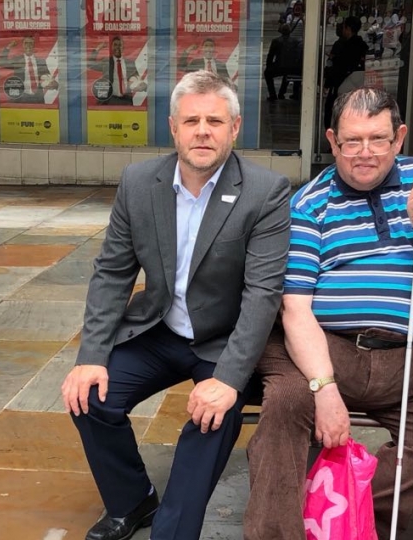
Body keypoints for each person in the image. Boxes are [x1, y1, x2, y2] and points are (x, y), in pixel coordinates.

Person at [61, 70, 291, 540]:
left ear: (234, 127)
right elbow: (112, 273)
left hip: (223, 339)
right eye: (191, 121)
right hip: (160, 328)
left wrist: (229, 379)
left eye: (214, 121)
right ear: (173, 128)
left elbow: (262, 295)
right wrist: (91, 356)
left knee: (213, 417)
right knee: (89, 397)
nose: (202, 131)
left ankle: (171, 532)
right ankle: (132, 501)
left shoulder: (265, 192)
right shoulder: (139, 182)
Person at [244, 87, 413, 540]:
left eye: (378, 139)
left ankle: (343, 516)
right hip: (332, 349)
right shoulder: (310, 202)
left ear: (399, 137)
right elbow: (295, 308)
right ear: (333, 141)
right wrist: (325, 388)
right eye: (352, 141)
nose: (365, 153)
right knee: (289, 401)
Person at [323, 16, 368, 127]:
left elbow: (340, 67)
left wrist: (328, 83)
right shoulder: (362, 45)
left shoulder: (345, 46)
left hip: (344, 82)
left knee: (334, 111)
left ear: (348, 29)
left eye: (343, 27)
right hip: (359, 81)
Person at [89, 36, 148, 106]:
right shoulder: (106, 61)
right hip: (108, 100)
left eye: (120, 45)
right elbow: (90, 64)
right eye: (115, 45)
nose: (117, 47)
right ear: (111, 47)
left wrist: (142, 85)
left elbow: (136, 78)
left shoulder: (130, 63)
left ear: (123, 48)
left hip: (126, 101)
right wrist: (97, 49)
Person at [0, 35, 58, 104]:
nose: (28, 45)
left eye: (30, 43)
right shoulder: (17, 60)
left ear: (34, 45)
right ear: (23, 45)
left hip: (37, 98)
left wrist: (54, 83)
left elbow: (47, 77)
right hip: (21, 98)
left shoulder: (41, 61)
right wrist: (8, 47)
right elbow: (2, 63)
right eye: (26, 43)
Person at [264, 24, 303, 101]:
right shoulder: (296, 42)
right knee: (295, 73)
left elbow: (270, 55)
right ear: (290, 31)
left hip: (279, 67)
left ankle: (273, 94)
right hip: (293, 68)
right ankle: (293, 93)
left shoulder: (276, 41)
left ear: (281, 31)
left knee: (267, 74)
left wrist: (269, 66)